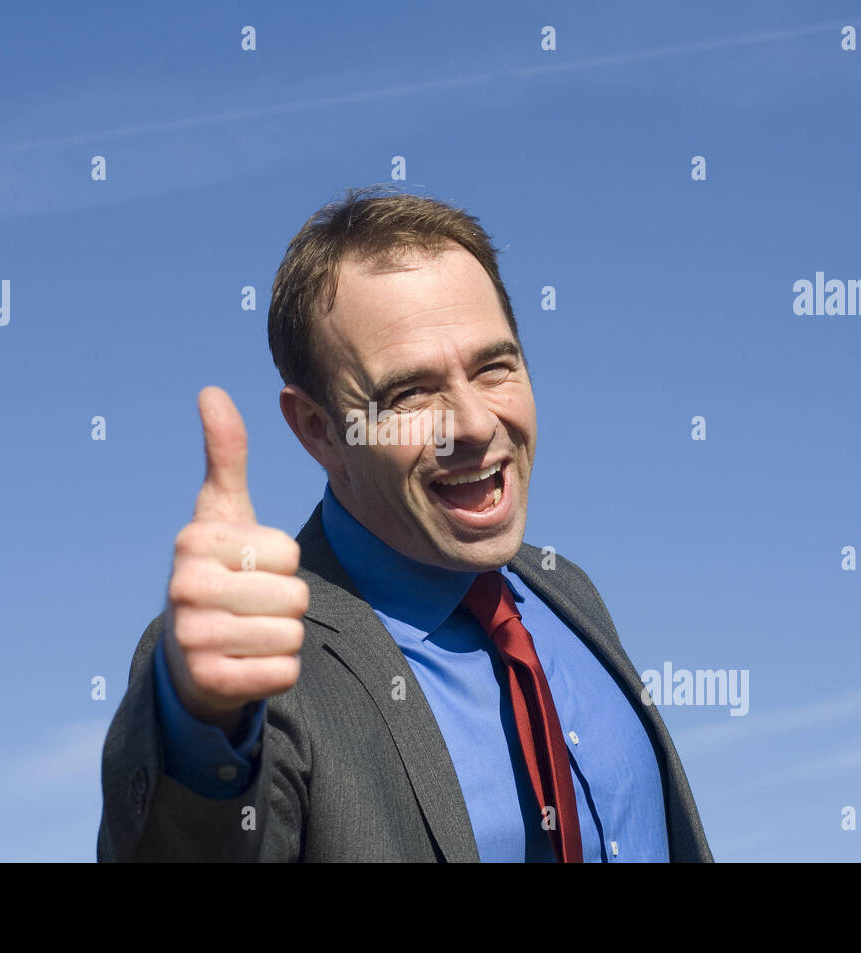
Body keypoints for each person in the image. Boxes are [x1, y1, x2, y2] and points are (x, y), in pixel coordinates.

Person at [97, 185, 713, 862]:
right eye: (411, 393)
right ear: (319, 430)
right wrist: (199, 728)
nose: (476, 424)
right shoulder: (256, 664)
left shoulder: (567, 595)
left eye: (494, 366)